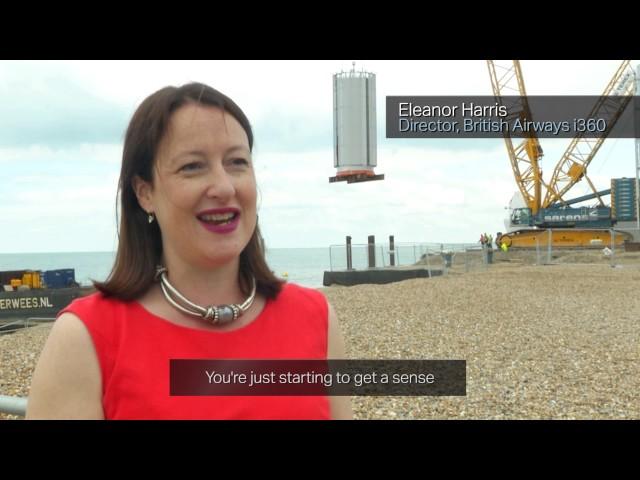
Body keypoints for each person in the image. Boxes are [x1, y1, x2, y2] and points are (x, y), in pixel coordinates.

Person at [26, 82, 353, 420]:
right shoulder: (86, 336)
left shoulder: (315, 317)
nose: (224, 187)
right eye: (193, 166)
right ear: (144, 192)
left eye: (237, 162)